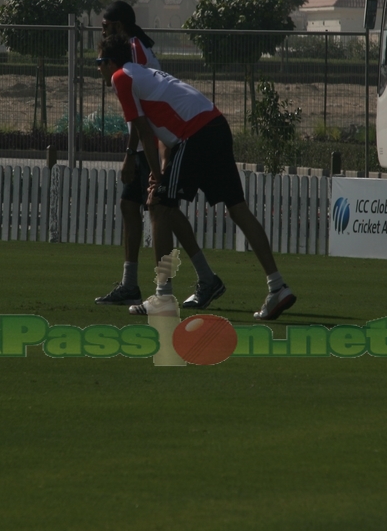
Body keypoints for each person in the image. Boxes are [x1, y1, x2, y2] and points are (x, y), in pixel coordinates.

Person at [96, 33, 297, 321]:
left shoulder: (121, 77)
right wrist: (159, 173)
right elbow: (159, 130)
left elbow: (144, 130)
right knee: (238, 209)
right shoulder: (145, 74)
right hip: (216, 125)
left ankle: (163, 297)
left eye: (99, 62)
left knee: (159, 206)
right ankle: (277, 285)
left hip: (196, 134)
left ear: (111, 62)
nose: (98, 69)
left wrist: (155, 176)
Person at [94, 1, 175, 306]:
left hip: (150, 141)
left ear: (119, 25)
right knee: (130, 206)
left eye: (106, 25)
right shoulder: (132, 46)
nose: (102, 30)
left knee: (163, 213)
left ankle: (201, 279)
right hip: (143, 140)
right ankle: (130, 283)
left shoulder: (133, 49)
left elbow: (142, 109)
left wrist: (131, 152)